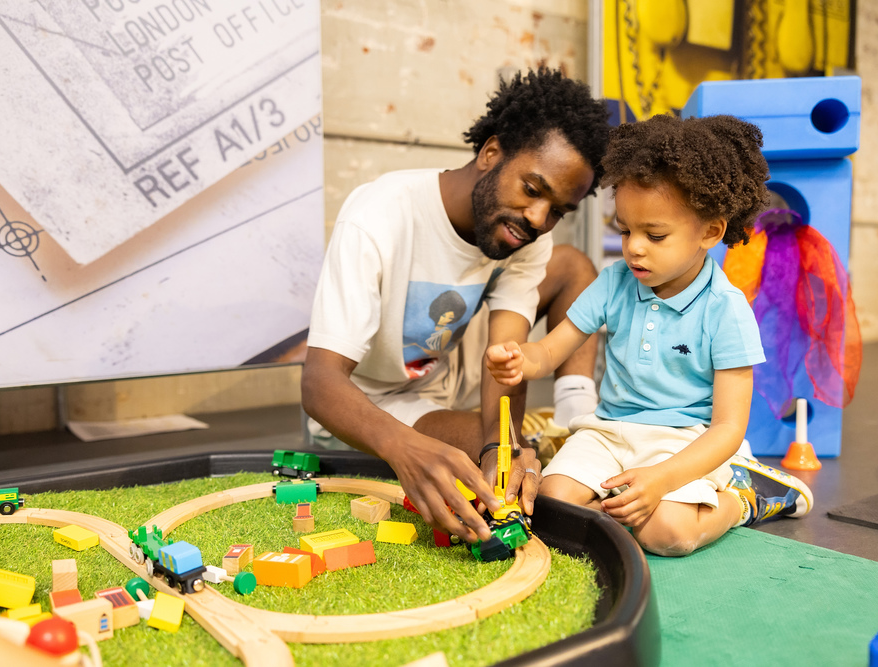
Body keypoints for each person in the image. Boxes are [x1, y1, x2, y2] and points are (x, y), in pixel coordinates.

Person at [301, 68, 610, 543]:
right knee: (473, 456)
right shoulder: (378, 215)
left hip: (448, 360)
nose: (538, 219)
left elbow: (506, 358)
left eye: (559, 211)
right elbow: (319, 383)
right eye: (532, 189)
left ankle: (575, 416)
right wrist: (404, 447)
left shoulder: (527, 234)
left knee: (572, 268)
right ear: (490, 153)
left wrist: (500, 444)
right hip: (376, 398)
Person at [485, 113, 814, 557]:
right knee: (553, 508)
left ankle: (743, 497)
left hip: (684, 443)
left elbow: (728, 428)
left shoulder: (726, 308)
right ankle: (630, 499)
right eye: (624, 230)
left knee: (670, 535)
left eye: (655, 235)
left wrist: (662, 478)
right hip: (609, 432)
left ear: (711, 231)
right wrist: (521, 359)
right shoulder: (614, 281)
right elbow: (549, 350)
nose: (634, 247)